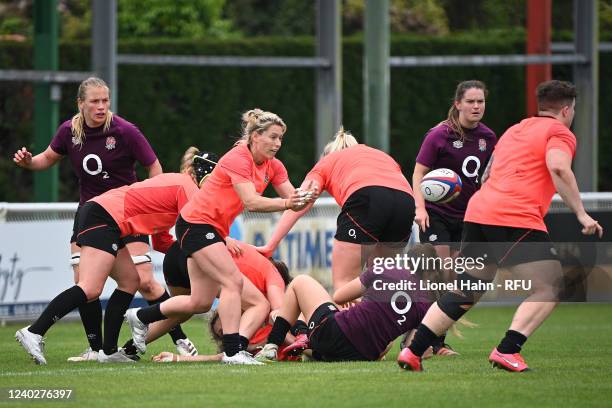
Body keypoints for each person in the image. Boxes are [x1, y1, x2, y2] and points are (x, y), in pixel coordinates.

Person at [398, 80, 604, 373]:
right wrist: (581, 214)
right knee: (551, 285)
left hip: (478, 212)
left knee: (465, 290)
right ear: (567, 110)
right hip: (514, 215)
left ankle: (414, 351)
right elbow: (558, 167)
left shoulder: (514, 130)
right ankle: (508, 349)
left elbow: (487, 175)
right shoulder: (559, 132)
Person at [12, 77, 193, 361]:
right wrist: (28, 162)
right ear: (80, 104)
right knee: (89, 286)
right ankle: (46, 335)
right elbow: (46, 158)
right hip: (99, 215)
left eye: (105, 100)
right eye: (94, 101)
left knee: (136, 280)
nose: (101, 106)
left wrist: (149, 197)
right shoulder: (69, 131)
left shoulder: (123, 130)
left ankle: (114, 351)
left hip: (126, 216)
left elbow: (153, 166)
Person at [124, 109, 317, 365]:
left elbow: (294, 198)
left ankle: (141, 316)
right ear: (255, 136)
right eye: (272, 137)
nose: (277, 144)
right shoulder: (239, 157)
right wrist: (287, 203)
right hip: (196, 224)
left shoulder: (274, 166)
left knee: (200, 302)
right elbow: (252, 202)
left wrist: (306, 196)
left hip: (211, 230)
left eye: (281, 138)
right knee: (232, 283)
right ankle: (232, 352)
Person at [15, 147, 214, 364]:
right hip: (103, 216)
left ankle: (108, 351)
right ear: (205, 177)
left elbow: (161, 241)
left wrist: (187, 252)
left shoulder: (180, 184)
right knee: (90, 287)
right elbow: (195, 230)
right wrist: (213, 251)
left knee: (130, 281)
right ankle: (34, 331)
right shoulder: (188, 187)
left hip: (104, 216)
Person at [257, 127, 415, 290]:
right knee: (382, 282)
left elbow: (300, 202)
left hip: (367, 197)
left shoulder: (326, 162)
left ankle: (348, 314)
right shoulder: (380, 155)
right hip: (406, 200)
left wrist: (271, 244)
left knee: (344, 284)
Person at [407, 80, 496, 355]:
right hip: (436, 216)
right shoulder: (439, 135)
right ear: (458, 104)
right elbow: (418, 173)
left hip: (468, 217)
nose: (476, 106)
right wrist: (420, 209)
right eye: (470, 101)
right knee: (440, 275)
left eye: (480, 101)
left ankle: (433, 341)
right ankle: (422, 341)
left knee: (458, 282)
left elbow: (488, 176)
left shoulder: (488, 137)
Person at [254, 244, 439, 363]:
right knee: (386, 341)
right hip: (364, 355)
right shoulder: (427, 305)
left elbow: (340, 296)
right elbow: (411, 348)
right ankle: (301, 337)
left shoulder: (386, 268)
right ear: (432, 273)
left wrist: (363, 301)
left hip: (335, 334)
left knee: (300, 282)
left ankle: (272, 345)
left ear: (407, 260)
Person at [146, 241, 308, 363]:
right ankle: (141, 315)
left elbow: (220, 357)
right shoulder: (272, 282)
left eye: (222, 332)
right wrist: (290, 339)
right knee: (258, 305)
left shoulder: (253, 320)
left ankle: (130, 345)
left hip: (180, 252)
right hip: (194, 252)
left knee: (187, 310)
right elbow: (278, 314)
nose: (227, 329)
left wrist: (177, 359)